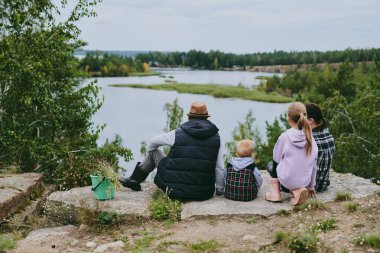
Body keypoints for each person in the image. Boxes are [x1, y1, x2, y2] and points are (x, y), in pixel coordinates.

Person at [120, 101, 225, 200]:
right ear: (207, 118)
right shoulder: (216, 137)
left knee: (153, 152)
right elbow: (219, 168)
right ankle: (134, 181)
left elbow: (152, 143)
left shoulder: (177, 133)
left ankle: (134, 180)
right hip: (204, 193)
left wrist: (168, 161)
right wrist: (220, 190)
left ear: (189, 117)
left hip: (173, 191)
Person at [265, 102, 318, 205]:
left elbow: (276, 159)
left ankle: (275, 193)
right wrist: (311, 186)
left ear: (289, 119)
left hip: (286, 183)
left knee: (271, 165)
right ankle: (298, 190)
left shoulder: (285, 137)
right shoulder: (310, 138)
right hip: (305, 182)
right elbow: (314, 165)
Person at [305, 103, 335, 192]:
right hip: (323, 184)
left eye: (301, 117)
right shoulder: (330, 138)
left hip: (308, 186)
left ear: (310, 120)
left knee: (272, 166)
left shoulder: (308, 140)